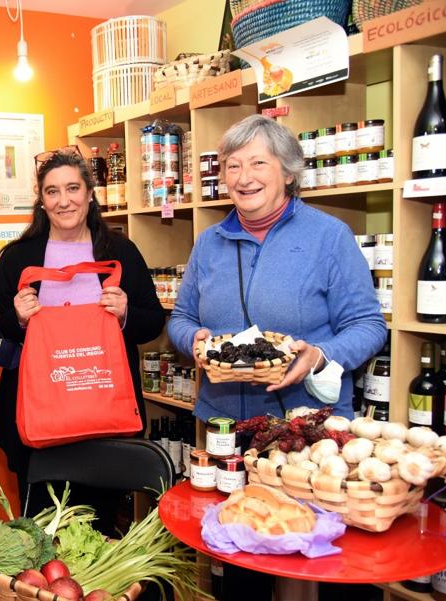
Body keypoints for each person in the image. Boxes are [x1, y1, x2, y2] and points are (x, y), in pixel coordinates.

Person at [167, 115, 387, 601]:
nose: (244, 176)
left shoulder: (329, 236)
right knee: (239, 556)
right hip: (230, 432)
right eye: (232, 165)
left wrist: (321, 354)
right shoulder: (210, 242)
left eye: (258, 163)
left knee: (336, 560)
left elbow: (370, 326)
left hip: (311, 432)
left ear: (288, 172)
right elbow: (179, 318)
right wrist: (196, 338)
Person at [0, 146, 165, 519]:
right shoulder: (18, 257)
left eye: (72, 188)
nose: (64, 201)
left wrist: (125, 314)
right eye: (52, 191)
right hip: (39, 422)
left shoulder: (120, 251)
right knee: (41, 533)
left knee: (101, 529)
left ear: (89, 193)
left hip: (104, 419)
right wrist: (15, 319)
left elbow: (153, 322)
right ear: (41, 199)